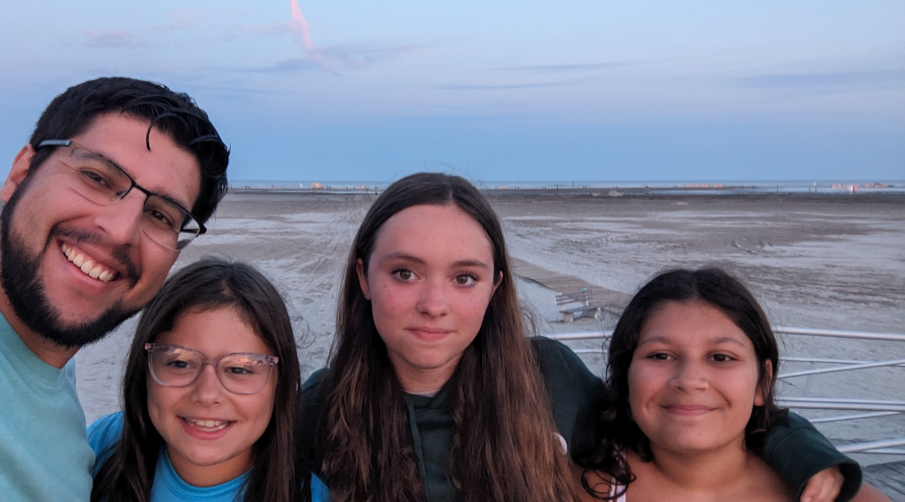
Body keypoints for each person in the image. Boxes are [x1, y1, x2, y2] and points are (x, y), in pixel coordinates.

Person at [295, 172, 863, 502]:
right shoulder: (323, 406)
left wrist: (806, 455)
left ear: (495, 287)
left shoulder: (547, 376)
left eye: (464, 277)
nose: (434, 303)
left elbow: (679, 412)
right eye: (404, 273)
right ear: (362, 276)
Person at [0, 77, 230, 500]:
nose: (119, 231)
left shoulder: (49, 365)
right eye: (96, 177)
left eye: (162, 216)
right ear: (21, 173)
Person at [572, 267, 887, 502]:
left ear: (762, 382)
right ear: (626, 375)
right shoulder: (569, 488)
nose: (690, 380)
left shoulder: (841, 497)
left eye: (721, 357)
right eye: (661, 355)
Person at [89, 258, 330, 501]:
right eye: (180, 363)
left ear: (280, 384)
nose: (206, 394)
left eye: (239, 369)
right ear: (144, 370)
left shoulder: (309, 496)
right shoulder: (105, 445)